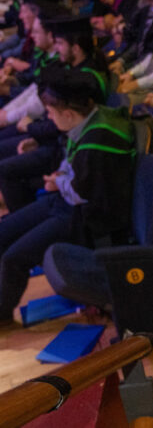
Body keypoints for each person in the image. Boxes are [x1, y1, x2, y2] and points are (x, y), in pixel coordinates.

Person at [0, 64, 135, 325]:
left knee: (13, 258)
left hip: (84, 218)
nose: (48, 118)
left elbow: (84, 193)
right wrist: (60, 180)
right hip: (64, 200)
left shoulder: (99, 141)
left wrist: (59, 184)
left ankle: (2, 315)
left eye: (50, 112)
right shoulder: (91, 119)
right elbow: (71, 165)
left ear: (70, 114)